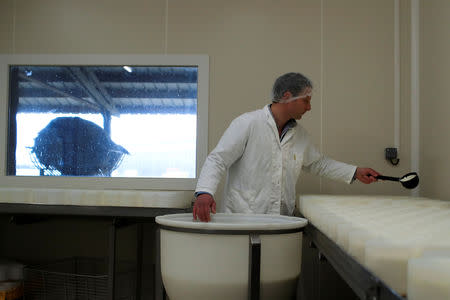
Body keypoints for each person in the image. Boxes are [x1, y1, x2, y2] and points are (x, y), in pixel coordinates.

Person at [193, 72, 379, 222]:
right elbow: (218, 159)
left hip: (281, 222)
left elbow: (318, 164)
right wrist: (204, 192)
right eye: (306, 100)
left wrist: (355, 172)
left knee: (275, 269)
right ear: (287, 96)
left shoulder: (300, 135)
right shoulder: (248, 124)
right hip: (241, 220)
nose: (309, 107)